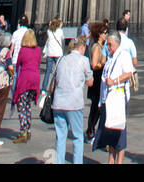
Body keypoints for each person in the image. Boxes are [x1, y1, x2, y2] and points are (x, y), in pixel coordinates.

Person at [93, 32, 133, 164]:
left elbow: (128, 73)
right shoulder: (110, 57)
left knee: (119, 130)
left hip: (118, 98)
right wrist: (101, 100)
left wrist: (115, 81)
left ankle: (119, 161)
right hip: (107, 98)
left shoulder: (124, 55)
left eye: (110, 44)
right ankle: (111, 160)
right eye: (107, 44)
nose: (107, 46)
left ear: (117, 43)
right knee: (110, 130)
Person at [51, 35, 93, 164]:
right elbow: (90, 82)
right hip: (74, 104)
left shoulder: (61, 59)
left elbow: (53, 83)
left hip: (58, 103)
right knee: (77, 137)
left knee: (60, 137)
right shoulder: (84, 60)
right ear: (82, 47)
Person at [12, 28, 42, 143]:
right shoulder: (38, 50)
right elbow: (38, 63)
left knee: (21, 105)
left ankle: (23, 131)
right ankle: (28, 130)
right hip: (35, 79)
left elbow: (18, 64)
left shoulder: (23, 50)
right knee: (28, 105)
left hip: (25, 79)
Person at [86, 21, 107, 139]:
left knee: (96, 105)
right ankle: (91, 130)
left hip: (98, 79)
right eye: (105, 33)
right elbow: (94, 65)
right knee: (96, 106)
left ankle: (91, 130)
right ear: (99, 34)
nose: (106, 34)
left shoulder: (99, 46)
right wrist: (103, 63)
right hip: (97, 79)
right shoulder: (97, 47)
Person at [43, 17, 63, 90]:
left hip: (50, 53)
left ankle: (44, 88)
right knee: (58, 71)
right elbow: (62, 38)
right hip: (57, 53)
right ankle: (58, 86)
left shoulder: (49, 31)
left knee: (47, 71)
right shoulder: (60, 31)